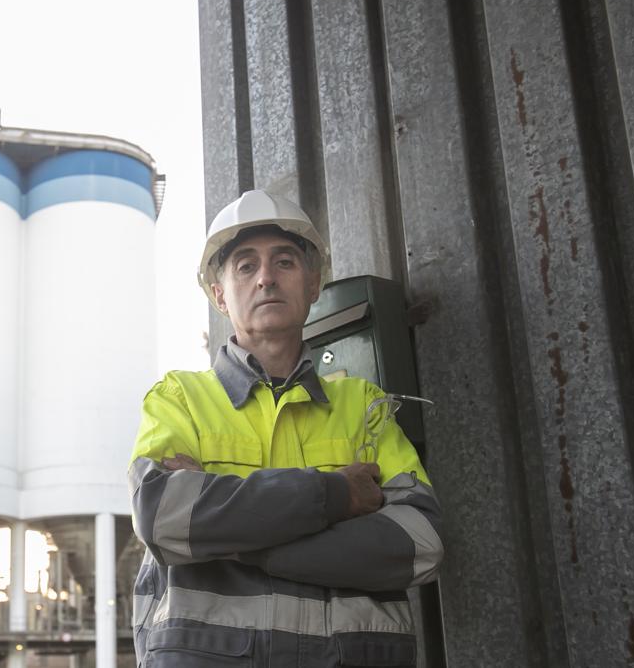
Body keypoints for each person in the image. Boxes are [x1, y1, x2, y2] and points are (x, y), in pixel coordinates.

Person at [128, 188, 443, 667]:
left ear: (313, 285)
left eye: (285, 262)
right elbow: (163, 519)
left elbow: (420, 544)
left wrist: (233, 541)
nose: (266, 278)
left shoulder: (362, 406)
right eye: (246, 266)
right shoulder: (180, 399)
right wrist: (337, 495)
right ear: (220, 295)